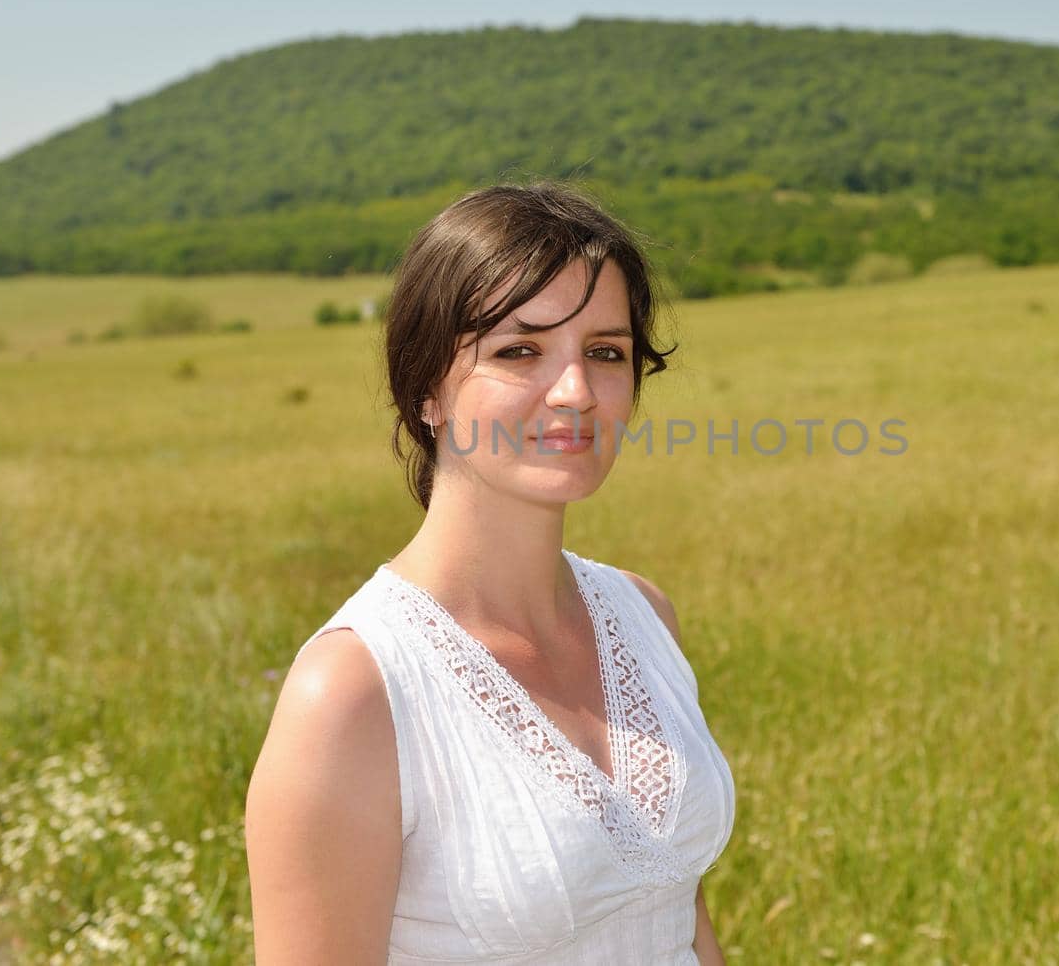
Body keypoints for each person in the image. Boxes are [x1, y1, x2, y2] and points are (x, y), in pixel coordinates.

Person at [244, 182, 736, 964]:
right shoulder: (353, 692)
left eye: (606, 353)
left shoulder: (644, 616)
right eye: (519, 351)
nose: (576, 393)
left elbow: (677, 907)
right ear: (428, 389)